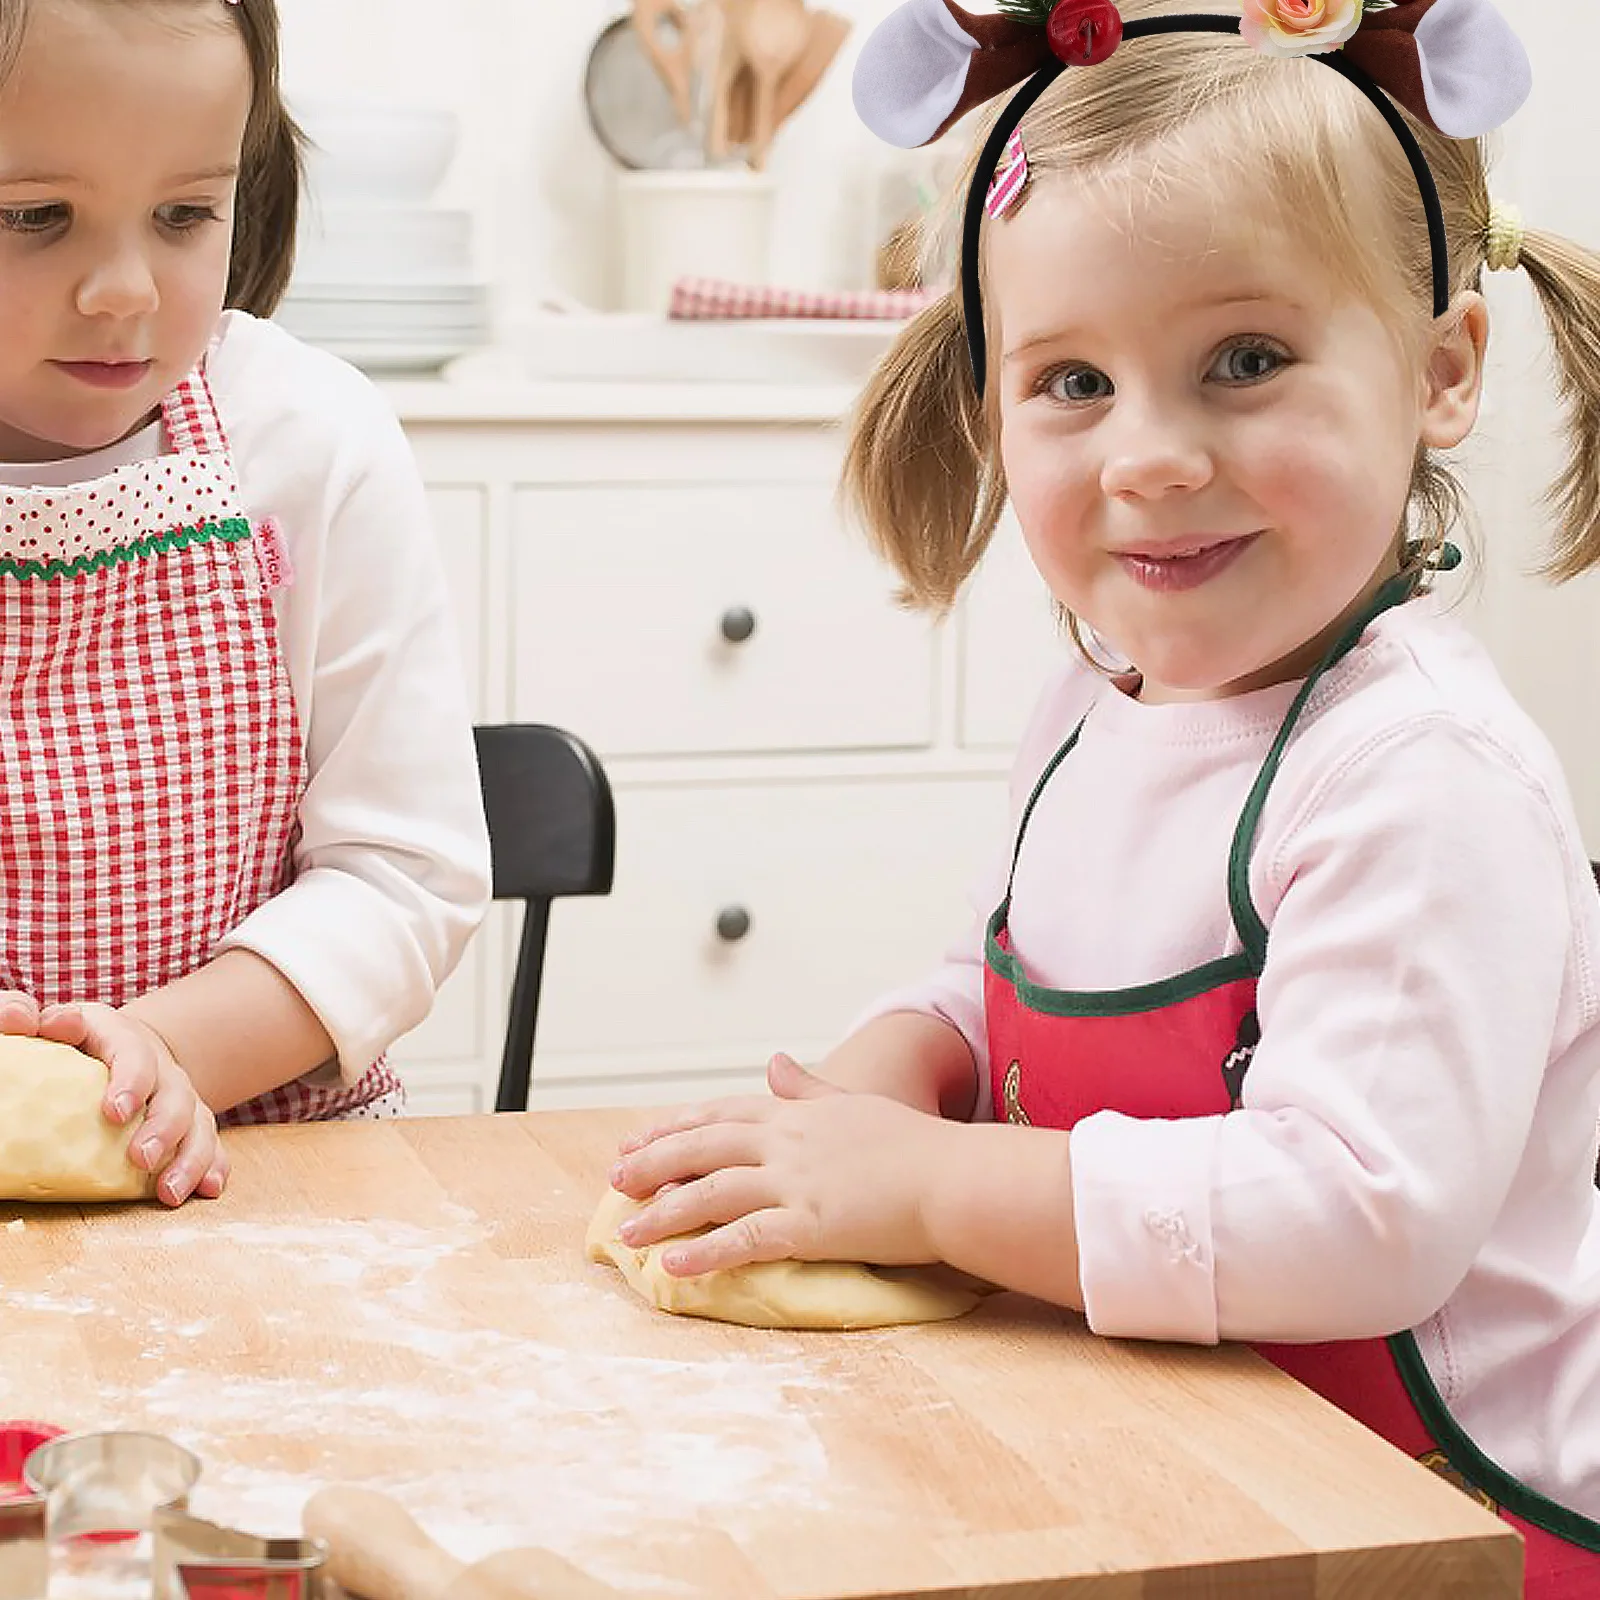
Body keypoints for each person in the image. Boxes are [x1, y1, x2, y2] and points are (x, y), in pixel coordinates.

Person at [606, 0, 1600, 1587]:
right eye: (1073, 380)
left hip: (1438, 1537)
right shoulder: (1097, 701)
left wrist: (935, 1189)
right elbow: (1015, 973)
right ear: (989, 405)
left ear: (1440, 372)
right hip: (1184, 1471)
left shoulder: (1423, 780)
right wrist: (901, 1065)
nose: (1150, 455)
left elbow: (1360, 1217)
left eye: (1245, 362)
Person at [0, 0, 490, 1207]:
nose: (122, 290)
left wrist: (158, 1056)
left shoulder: (309, 443)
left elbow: (403, 879)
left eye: (184, 214)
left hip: (266, 1175)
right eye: (33, 216)